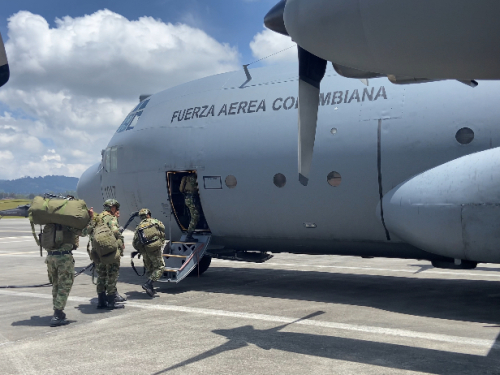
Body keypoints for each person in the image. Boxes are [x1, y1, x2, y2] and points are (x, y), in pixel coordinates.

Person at [43, 220, 89, 327]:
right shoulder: (68, 223)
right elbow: (85, 232)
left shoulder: (50, 223)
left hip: (50, 258)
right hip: (63, 258)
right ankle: (57, 314)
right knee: (64, 285)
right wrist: (89, 219)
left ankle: (58, 310)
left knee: (56, 285)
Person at [84, 199, 125, 309]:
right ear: (112, 208)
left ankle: (101, 301)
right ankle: (111, 302)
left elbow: (88, 231)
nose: (116, 210)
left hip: (98, 252)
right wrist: (121, 243)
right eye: (116, 208)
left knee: (101, 276)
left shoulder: (97, 218)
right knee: (112, 275)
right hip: (110, 253)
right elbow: (115, 232)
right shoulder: (111, 218)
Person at [132, 208, 166, 297]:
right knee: (160, 267)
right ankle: (148, 284)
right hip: (155, 249)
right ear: (148, 215)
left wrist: (141, 250)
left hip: (145, 251)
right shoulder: (154, 221)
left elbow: (134, 242)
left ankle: (150, 289)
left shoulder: (139, 227)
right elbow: (163, 228)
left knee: (150, 269)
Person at [179, 173, 200, 242]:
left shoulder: (185, 178)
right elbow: (196, 189)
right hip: (192, 199)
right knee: (195, 217)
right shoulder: (195, 178)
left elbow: (181, 189)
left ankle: (190, 231)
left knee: (191, 215)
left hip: (187, 199)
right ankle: (189, 235)